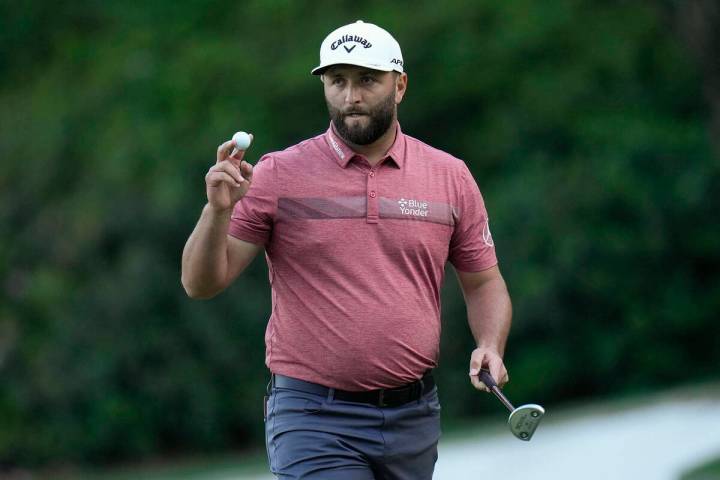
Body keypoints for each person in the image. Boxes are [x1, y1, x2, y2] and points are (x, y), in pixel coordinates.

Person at [181, 20, 512, 480]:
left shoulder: (450, 176)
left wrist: (490, 346)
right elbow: (201, 283)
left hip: (413, 417)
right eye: (337, 82)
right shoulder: (277, 174)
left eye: (366, 81)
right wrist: (215, 212)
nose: (350, 97)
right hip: (312, 416)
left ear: (400, 86)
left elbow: (484, 282)